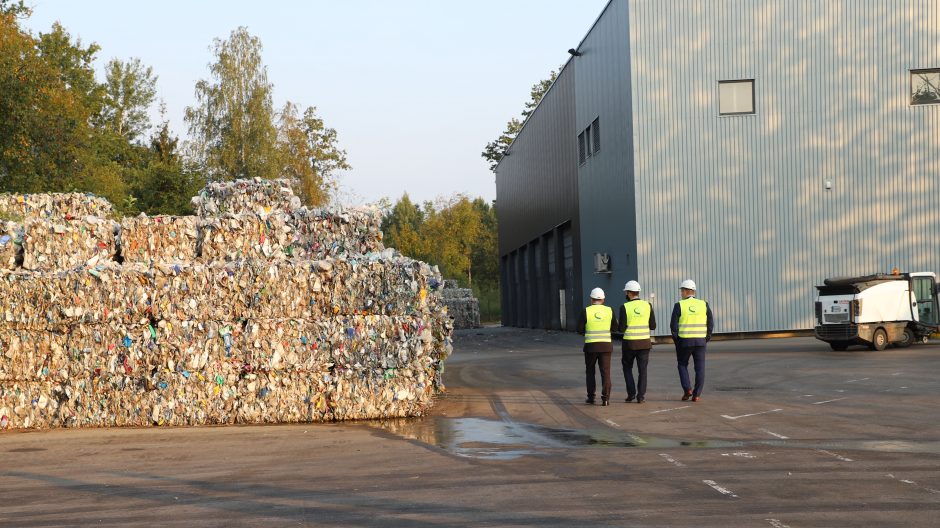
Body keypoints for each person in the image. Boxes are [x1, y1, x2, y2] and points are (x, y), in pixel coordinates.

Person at [669, 279, 714, 402]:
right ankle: (697, 394)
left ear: (687, 291)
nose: (681, 293)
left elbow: (673, 326)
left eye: (682, 290)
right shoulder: (704, 304)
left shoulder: (679, 305)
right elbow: (710, 322)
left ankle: (687, 389)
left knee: (682, 364)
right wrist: (707, 337)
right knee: (700, 368)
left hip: (684, 341)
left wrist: (677, 341)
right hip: (700, 341)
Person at [577, 287, 618, 406]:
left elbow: (579, 329)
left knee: (590, 372)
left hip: (591, 347)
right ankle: (605, 399)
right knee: (605, 373)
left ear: (591, 299)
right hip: (606, 346)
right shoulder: (609, 310)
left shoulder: (586, 311)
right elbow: (615, 328)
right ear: (603, 299)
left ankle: (591, 397)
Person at [617, 280, 656, 403]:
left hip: (629, 343)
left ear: (628, 293)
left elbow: (621, 329)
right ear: (638, 292)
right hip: (644, 343)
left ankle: (631, 393)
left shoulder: (624, 307)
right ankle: (641, 396)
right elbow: (653, 326)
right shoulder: (648, 305)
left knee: (627, 368)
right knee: (642, 370)